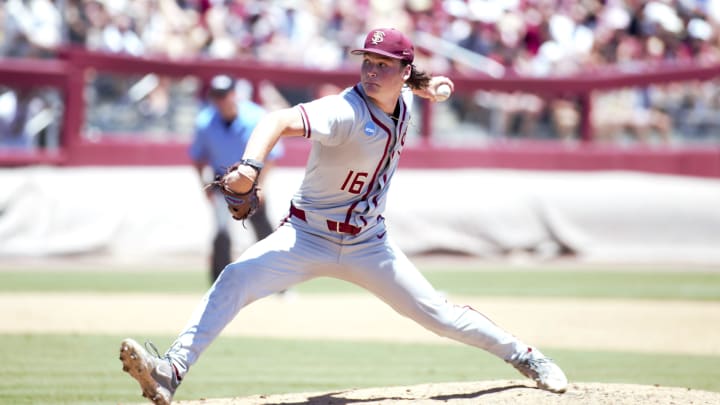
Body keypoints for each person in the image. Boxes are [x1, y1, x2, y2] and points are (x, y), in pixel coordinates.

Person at [119, 28, 568, 405]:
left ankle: (525, 355)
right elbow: (276, 120)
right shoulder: (344, 110)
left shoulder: (404, 99)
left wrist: (431, 85)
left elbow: (412, 85)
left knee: (439, 315)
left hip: (368, 246)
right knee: (234, 279)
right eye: (367, 63)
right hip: (305, 237)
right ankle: (170, 371)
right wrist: (252, 166)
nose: (372, 72)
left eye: (383, 65)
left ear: (404, 72)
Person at [189, 74, 284, 282]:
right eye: (217, 96)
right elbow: (197, 158)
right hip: (222, 181)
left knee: (264, 230)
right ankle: (219, 282)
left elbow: (272, 156)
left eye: (225, 95)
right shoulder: (205, 121)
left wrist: (261, 186)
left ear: (234, 95)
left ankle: (278, 281)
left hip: (251, 180)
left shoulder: (256, 117)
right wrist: (204, 187)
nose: (222, 101)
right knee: (221, 232)